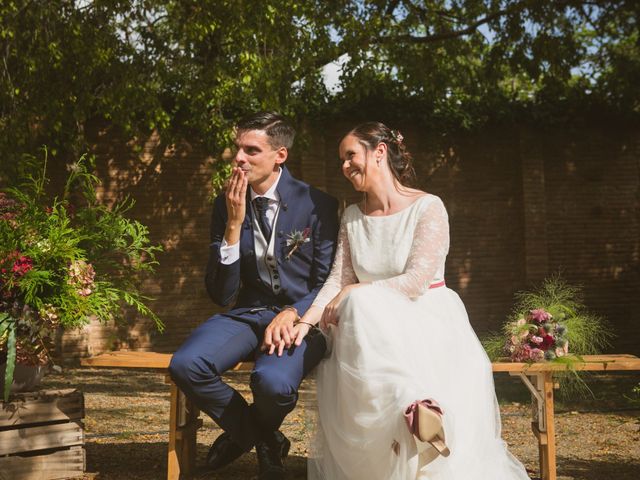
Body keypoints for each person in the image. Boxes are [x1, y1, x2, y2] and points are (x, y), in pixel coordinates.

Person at [293, 122, 531, 479]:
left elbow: (418, 280)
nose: (344, 165)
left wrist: (358, 292)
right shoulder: (353, 217)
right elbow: (336, 281)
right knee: (358, 309)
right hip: (368, 332)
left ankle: (416, 409)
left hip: (424, 320)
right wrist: (306, 321)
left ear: (379, 152)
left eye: (350, 155)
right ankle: (416, 410)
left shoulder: (428, 207)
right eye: (341, 159)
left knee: (358, 304)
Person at [168, 112, 339, 480]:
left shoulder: (318, 204)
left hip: (302, 319)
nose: (239, 159)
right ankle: (261, 438)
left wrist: (294, 312)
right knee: (186, 365)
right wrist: (232, 225)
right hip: (246, 313)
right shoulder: (225, 204)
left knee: (274, 385)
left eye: (251, 150)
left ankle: (242, 437)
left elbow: (328, 280)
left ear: (280, 155)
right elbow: (221, 293)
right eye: (237, 149)